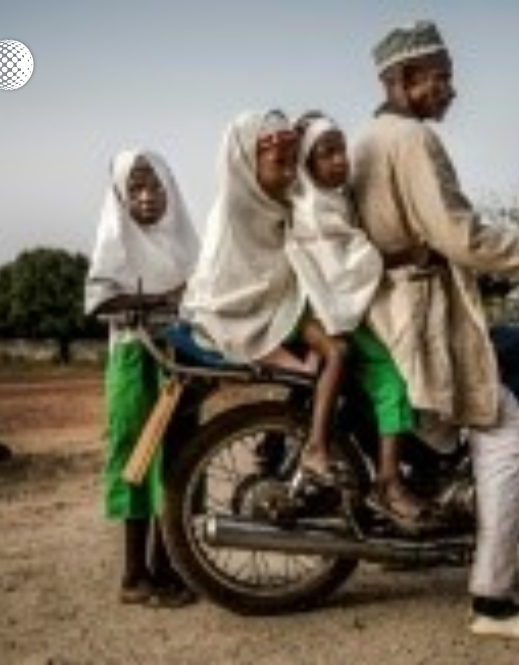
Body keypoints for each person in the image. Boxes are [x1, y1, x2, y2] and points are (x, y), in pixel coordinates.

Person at [351, 21, 519, 639]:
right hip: (418, 315)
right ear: (406, 79)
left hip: (385, 308)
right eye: (441, 78)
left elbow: (422, 236)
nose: (451, 90)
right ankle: (493, 601)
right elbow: (461, 235)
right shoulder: (413, 139)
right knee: (509, 434)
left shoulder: (368, 137)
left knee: (456, 430)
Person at [181, 110, 349, 488]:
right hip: (241, 316)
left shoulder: (283, 202)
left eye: (294, 163)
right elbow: (235, 285)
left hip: (280, 306)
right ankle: (315, 448)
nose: (290, 173)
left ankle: (279, 442)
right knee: (336, 352)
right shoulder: (233, 212)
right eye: (280, 163)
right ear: (245, 163)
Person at [287, 111, 431, 527]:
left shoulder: (338, 199)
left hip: (333, 309)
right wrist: (410, 254)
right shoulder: (312, 209)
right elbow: (347, 266)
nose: (339, 160)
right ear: (307, 164)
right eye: (326, 153)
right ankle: (383, 480)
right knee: (386, 375)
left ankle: (386, 472)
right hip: (313, 311)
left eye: (341, 150)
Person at [85, 149, 200, 607]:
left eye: (154, 186)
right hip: (136, 360)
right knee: (137, 459)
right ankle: (134, 575)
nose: (147, 197)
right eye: (135, 188)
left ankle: (165, 568)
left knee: (177, 460)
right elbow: (100, 302)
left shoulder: (185, 242)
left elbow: (202, 297)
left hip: (182, 360)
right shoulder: (114, 242)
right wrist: (162, 300)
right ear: (120, 195)